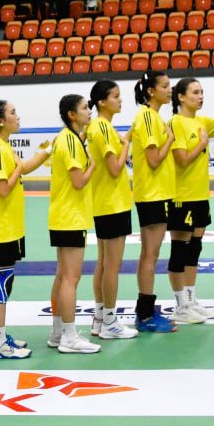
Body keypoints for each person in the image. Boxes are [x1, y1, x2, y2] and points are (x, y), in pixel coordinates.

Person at [0, 100, 48, 359]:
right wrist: (18, 168)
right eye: (13, 113)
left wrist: (48, 150)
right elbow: (3, 188)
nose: (17, 117)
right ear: (0, 121)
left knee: (6, 280)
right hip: (1, 226)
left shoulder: (4, 145)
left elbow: (24, 168)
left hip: (10, 225)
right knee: (1, 279)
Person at [85, 80, 139, 340]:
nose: (120, 100)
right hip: (113, 204)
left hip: (103, 203)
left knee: (103, 264)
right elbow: (116, 168)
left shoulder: (97, 127)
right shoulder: (103, 128)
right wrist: (126, 142)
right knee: (112, 266)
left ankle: (99, 318)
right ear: (101, 102)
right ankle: (109, 321)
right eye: (115, 96)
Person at [47, 94, 101, 354]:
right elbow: (78, 181)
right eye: (84, 108)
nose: (89, 111)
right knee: (70, 278)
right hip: (70, 218)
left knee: (62, 276)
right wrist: (92, 165)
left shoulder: (70, 138)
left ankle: (58, 332)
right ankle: (69, 336)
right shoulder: (69, 140)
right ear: (71, 114)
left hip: (64, 216)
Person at [130, 71, 181, 332]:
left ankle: (146, 311)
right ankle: (145, 315)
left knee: (150, 254)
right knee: (150, 255)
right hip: (153, 195)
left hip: (158, 194)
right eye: (165, 86)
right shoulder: (148, 117)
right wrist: (170, 139)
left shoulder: (152, 116)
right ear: (151, 91)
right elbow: (153, 159)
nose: (169, 90)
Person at [169, 78, 214, 320]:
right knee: (180, 251)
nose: (200, 96)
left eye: (201, 92)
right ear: (181, 96)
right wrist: (202, 143)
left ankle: (191, 300)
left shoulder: (201, 121)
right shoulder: (176, 122)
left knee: (195, 250)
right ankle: (180, 306)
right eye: (195, 92)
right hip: (182, 197)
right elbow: (181, 160)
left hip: (201, 195)